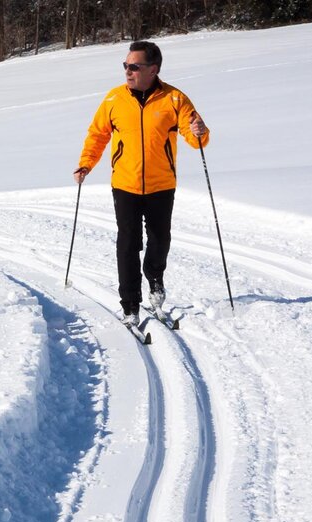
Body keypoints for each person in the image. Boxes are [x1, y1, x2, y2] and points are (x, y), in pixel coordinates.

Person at [73, 41, 209, 327]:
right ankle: (130, 304)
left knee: (160, 241)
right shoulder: (114, 99)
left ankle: (155, 279)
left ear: (153, 69)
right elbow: (98, 135)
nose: (127, 71)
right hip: (125, 184)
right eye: (125, 65)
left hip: (162, 185)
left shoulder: (174, 99)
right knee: (128, 243)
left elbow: (194, 134)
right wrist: (86, 164)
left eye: (134, 66)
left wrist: (199, 131)